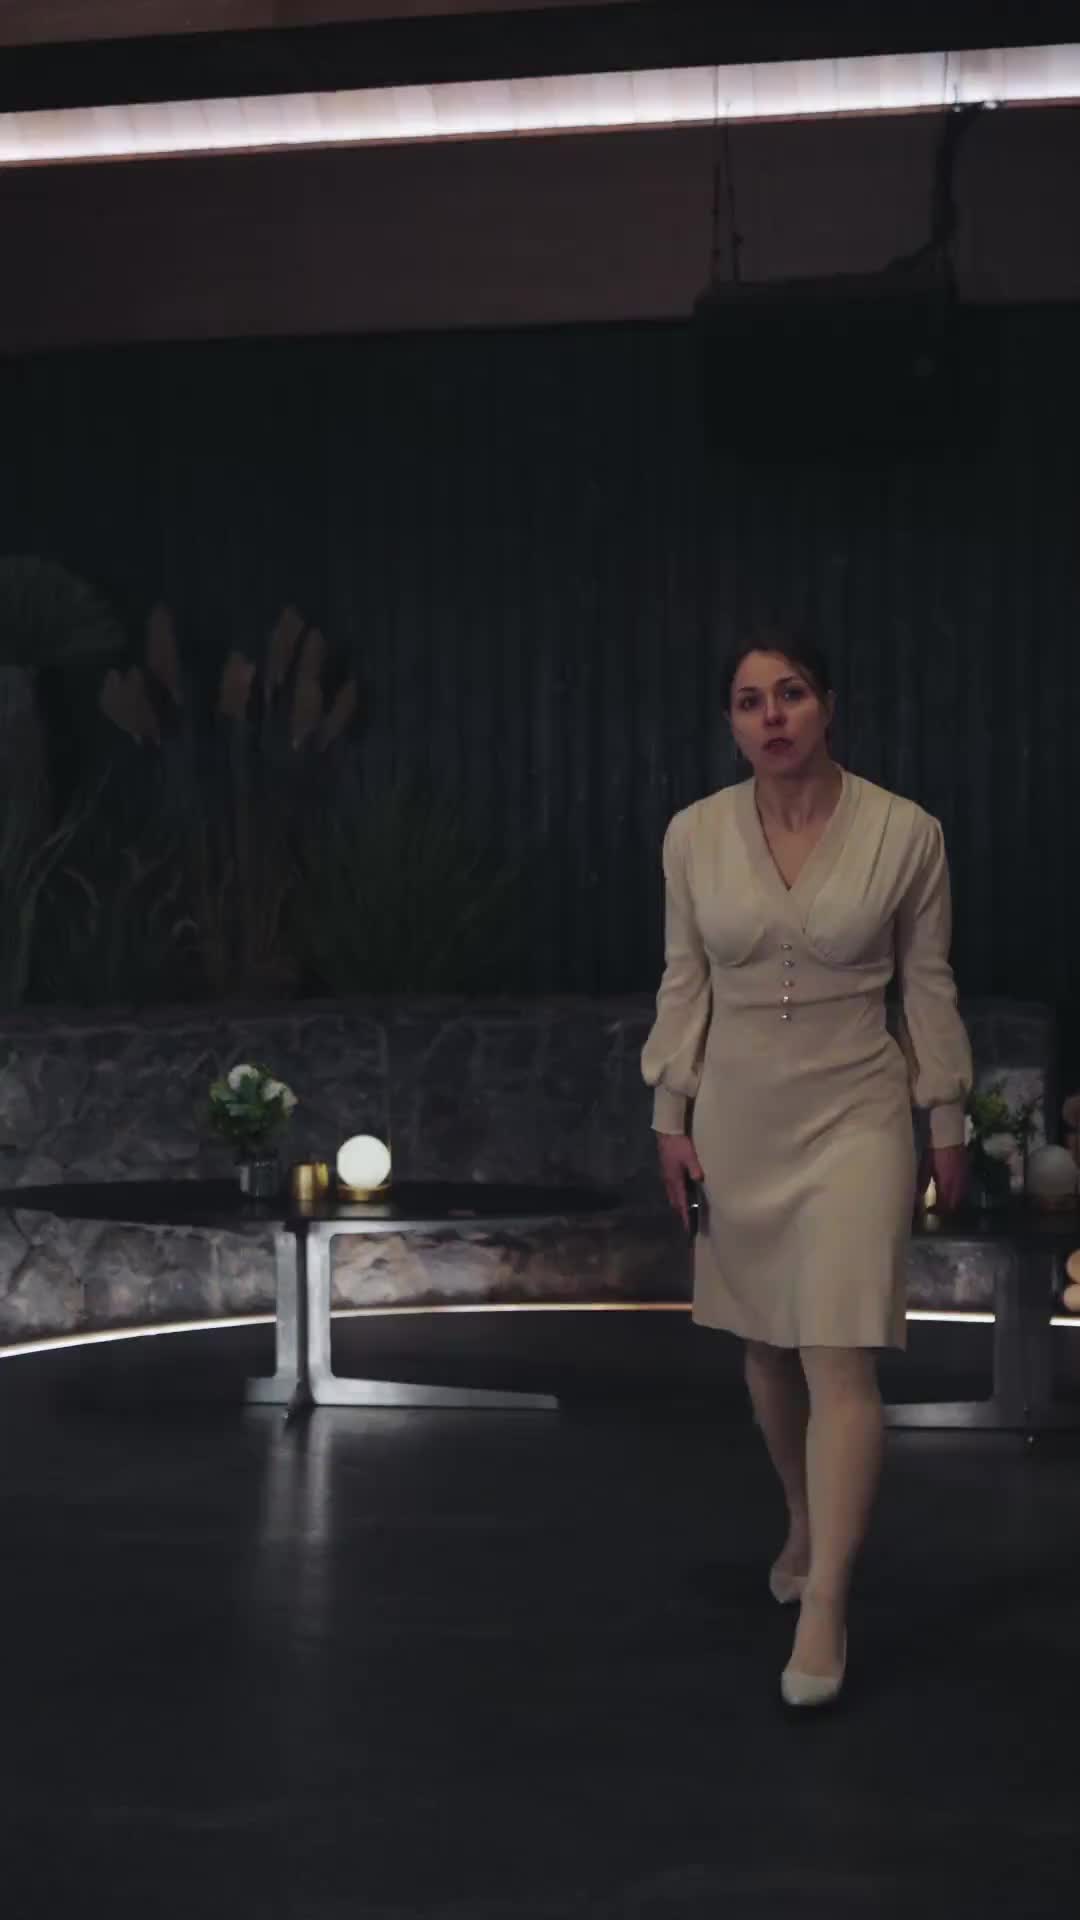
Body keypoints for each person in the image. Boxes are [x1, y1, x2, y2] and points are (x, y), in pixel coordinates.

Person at [641, 634, 972, 1709]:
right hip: (740, 1114)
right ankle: (801, 1513)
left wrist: (947, 1115)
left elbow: (928, 984)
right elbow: (683, 981)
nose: (772, 716)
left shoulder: (905, 832)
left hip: (857, 1112)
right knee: (768, 1346)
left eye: (790, 694)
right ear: (732, 722)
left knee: (839, 1347)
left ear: (827, 705)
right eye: (750, 701)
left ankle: (826, 1600)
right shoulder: (693, 835)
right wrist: (669, 1113)